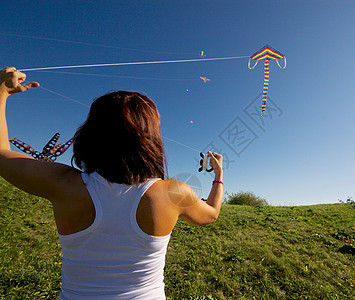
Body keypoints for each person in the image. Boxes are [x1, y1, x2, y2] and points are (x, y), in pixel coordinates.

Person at [0, 67, 223, 299]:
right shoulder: (174, 193)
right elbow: (211, 214)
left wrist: (2, 91)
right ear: (151, 139)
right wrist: (218, 176)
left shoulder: (63, 184)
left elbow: (1, 153)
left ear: (89, 134)